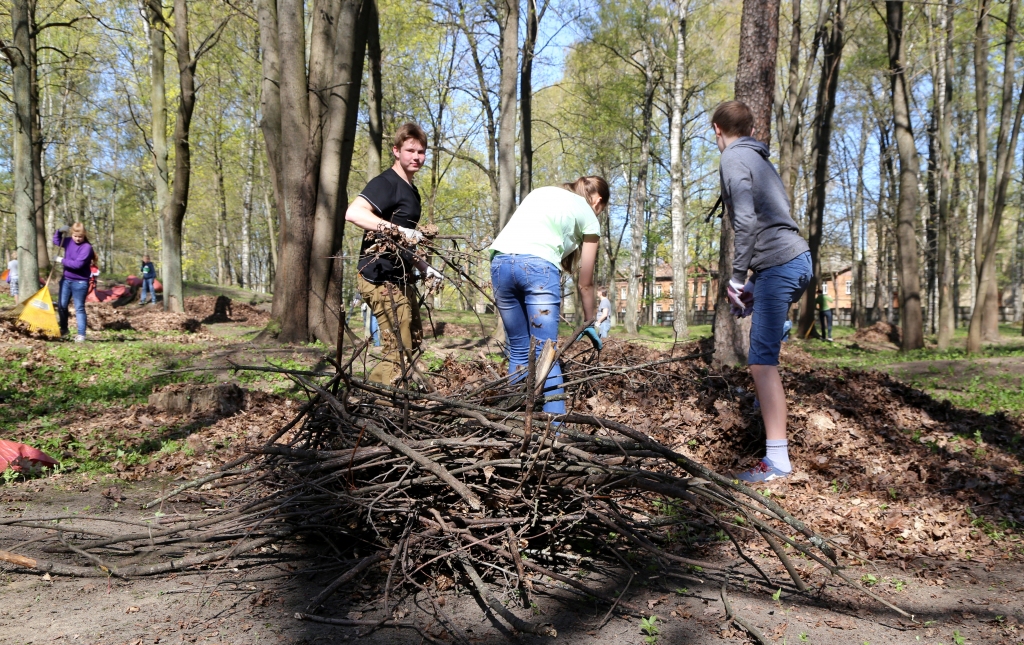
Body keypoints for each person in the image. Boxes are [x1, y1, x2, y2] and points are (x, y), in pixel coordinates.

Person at [713, 100, 811, 483]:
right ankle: (769, 430)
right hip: (794, 261)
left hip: (781, 263)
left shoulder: (734, 158)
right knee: (763, 356)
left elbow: (748, 221)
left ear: (716, 129)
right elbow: (775, 218)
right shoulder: (761, 160)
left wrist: (738, 276)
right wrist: (755, 281)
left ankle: (777, 461)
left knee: (761, 361)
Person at [488, 176, 609, 420]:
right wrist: (590, 321)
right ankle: (555, 434)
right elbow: (585, 283)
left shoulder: (542, 192)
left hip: (499, 265)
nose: (598, 213)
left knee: (520, 351)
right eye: (601, 209)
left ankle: (514, 423)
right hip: (538, 269)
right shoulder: (587, 213)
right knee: (547, 353)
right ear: (598, 200)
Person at [345, 123, 443, 384]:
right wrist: (398, 228)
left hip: (401, 278)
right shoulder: (386, 182)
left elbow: (403, 241)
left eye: (421, 152)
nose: (417, 157)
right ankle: (383, 405)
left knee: (413, 339)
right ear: (396, 151)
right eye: (410, 150)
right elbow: (353, 213)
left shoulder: (411, 191)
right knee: (397, 348)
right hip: (378, 277)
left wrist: (424, 267)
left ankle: (395, 396)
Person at [54, 222, 96, 343]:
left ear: (84, 235)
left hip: (80, 282)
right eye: (75, 236)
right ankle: (64, 329)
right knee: (61, 306)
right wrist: (59, 231)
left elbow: (77, 265)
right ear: (72, 234)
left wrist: (61, 260)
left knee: (79, 308)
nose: (77, 239)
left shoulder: (87, 248)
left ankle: (81, 334)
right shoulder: (68, 241)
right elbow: (56, 241)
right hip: (66, 280)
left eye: (80, 236)